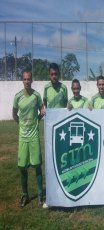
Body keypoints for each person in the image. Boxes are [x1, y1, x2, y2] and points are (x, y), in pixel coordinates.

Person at [12, 70, 45, 207]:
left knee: (37, 165)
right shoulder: (18, 96)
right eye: (25, 79)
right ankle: (25, 195)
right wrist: (21, 124)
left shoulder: (36, 96)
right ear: (22, 80)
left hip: (34, 136)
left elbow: (42, 109)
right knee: (22, 167)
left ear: (32, 80)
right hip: (23, 137)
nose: (27, 81)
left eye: (29, 79)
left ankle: (39, 194)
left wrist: (39, 116)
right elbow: (14, 114)